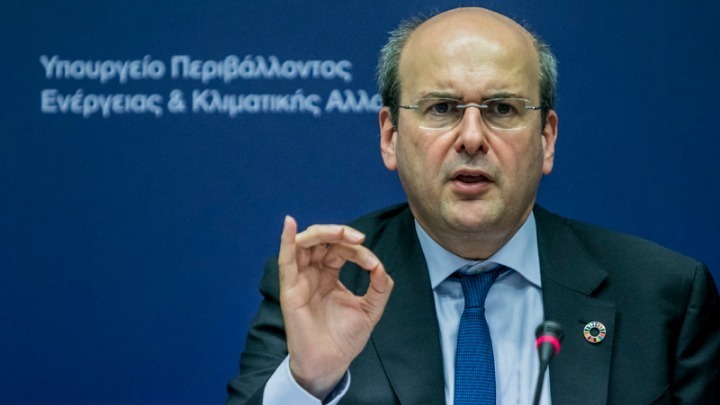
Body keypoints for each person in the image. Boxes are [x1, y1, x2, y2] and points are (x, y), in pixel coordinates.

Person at [227, 7, 720, 404]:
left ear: (547, 139)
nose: (471, 137)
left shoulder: (663, 296)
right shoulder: (327, 285)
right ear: (390, 136)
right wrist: (309, 383)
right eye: (441, 108)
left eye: (502, 109)